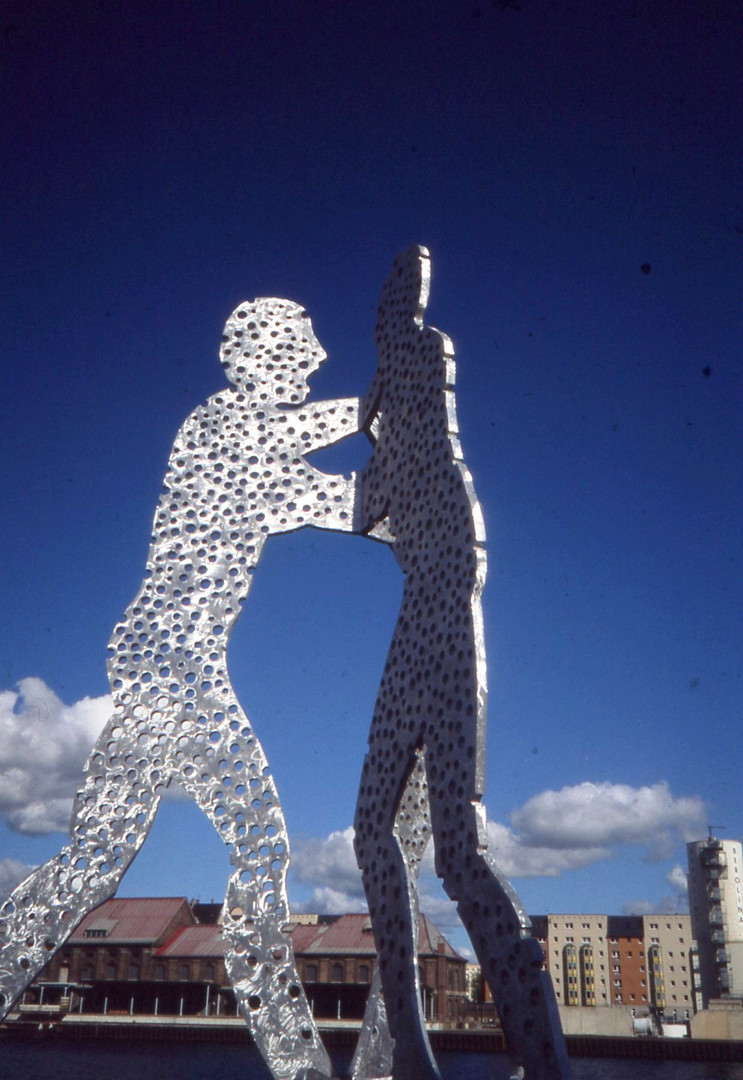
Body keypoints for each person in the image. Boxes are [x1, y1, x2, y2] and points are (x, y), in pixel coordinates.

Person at [0, 298, 362, 1080]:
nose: (319, 355)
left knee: (93, 860)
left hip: (163, 668)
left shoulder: (238, 437)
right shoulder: (225, 427)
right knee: (259, 851)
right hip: (176, 669)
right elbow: (312, 491)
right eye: (303, 343)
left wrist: (382, 437)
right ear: (260, 354)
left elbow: (310, 479)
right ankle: (300, 1064)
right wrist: (386, 414)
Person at [353, 247, 572, 1080]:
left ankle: (530, 1055)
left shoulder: (408, 370)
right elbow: (368, 505)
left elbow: (364, 501)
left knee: (446, 845)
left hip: (440, 605)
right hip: (426, 610)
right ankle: (415, 1050)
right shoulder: (400, 399)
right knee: (400, 834)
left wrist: (352, 419)